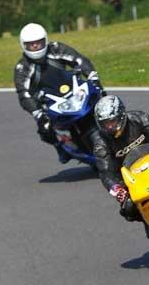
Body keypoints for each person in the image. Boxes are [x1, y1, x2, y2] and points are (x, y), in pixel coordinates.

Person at [14, 22, 104, 163]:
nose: (36, 46)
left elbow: (80, 60)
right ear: (24, 45)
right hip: (51, 102)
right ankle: (60, 148)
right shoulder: (23, 67)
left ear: (46, 40)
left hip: (76, 91)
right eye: (31, 44)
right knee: (44, 128)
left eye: (38, 42)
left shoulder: (57, 49)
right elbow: (23, 93)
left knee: (103, 98)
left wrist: (92, 76)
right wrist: (37, 112)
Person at [92, 95, 149, 222]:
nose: (110, 127)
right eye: (105, 124)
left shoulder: (140, 118)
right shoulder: (100, 143)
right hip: (130, 179)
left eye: (112, 121)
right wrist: (117, 190)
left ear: (121, 115)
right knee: (128, 209)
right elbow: (105, 172)